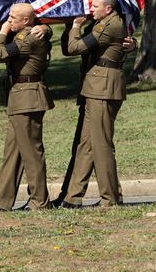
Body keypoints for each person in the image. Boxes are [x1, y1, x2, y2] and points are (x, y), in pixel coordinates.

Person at [0, 3, 54, 213]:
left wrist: (1, 32)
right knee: (13, 152)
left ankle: (40, 201)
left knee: (31, 152)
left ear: (26, 21)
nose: (8, 20)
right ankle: (1, 201)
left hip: (28, 97)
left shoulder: (28, 37)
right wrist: (46, 28)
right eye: (9, 16)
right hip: (20, 96)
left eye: (12, 17)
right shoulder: (30, 32)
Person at [50, 23, 137, 208]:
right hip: (92, 87)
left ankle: (111, 197)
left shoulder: (105, 25)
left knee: (101, 144)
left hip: (102, 88)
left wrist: (75, 25)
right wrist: (70, 26)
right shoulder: (95, 24)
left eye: (96, 5)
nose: (93, 8)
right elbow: (69, 48)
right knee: (86, 144)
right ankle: (72, 197)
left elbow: (75, 48)